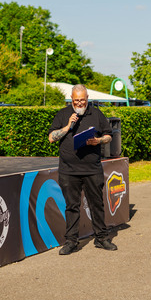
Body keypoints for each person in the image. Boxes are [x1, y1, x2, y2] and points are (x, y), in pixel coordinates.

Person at [48, 84, 117, 255]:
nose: (79, 103)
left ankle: (101, 238)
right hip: (68, 170)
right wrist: (67, 127)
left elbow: (109, 135)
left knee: (97, 204)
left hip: (92, 168)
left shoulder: (96, 113)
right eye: (76, 100)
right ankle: (71, 242)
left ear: (87, 99)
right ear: (71, 99)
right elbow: (51, 138)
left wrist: (98, 141)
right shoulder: (63, 114)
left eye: (83, 100)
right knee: (72, 206)